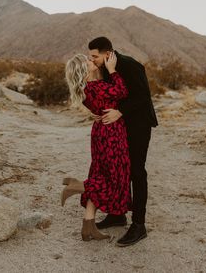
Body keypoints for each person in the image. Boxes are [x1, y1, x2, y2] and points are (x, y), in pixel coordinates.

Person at [88, 36, 158, 247]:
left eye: (95, 56)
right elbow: (107, 96)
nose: (92, 60)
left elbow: (143, 96)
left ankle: (139, 225)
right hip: (117, 126)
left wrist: (120, 112)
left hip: (138, 125)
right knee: (117, 170)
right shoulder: (104, 69)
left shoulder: (129, 65)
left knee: (136, 171)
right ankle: (117, 215)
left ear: (107, 53)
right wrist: (99, 114)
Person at [61, 52, 132, 241]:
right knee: (114, 176)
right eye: (87, 61)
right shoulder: (98, 87)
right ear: (83, 70)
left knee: (101, 173)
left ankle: (88, 227)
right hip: (112, 134)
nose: (91, 60)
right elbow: (123, 92)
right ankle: (78, 185)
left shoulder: (86, 90)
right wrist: (112, 70)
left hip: (100, 132)